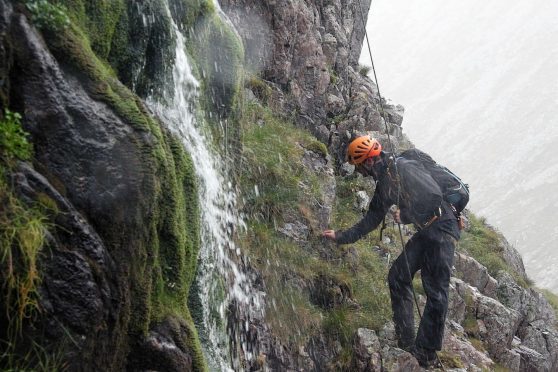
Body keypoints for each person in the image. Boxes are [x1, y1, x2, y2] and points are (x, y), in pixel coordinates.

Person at [323, 135, 461, 368]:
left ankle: (425, 353)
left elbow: (434, 197)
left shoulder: (403, 168)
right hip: (428, 231)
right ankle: (406, 341)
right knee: (398, 276)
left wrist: (406, 215)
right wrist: (340, 236)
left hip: (442, 230)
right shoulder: (385, 183)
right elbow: (371, 219)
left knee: (436, 291)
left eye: (359, 167)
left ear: (367, 161)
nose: (359, 172)